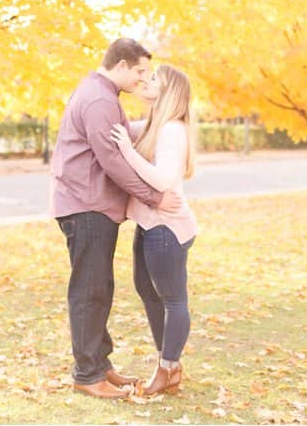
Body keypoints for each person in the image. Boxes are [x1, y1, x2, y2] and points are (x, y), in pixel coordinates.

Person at [49, 38, 183, 400]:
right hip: (86, 207)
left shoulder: (104, 98)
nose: (143, 79)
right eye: (139, 71)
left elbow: (127, 137)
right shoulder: (98, 99)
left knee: (99, 288)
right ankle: (87, 375)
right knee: (89, 291)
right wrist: (154, 197)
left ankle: (99, 364)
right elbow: (113, 160)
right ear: (121, 65)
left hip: (93, 206)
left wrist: (167, 118)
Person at [110, 64, 198, 397]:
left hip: (167, 229)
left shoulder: (172, 130)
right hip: (150, 223)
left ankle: (167, 368)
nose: (148, 80)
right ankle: (170, 363)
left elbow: (162, 181)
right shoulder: (156, 125)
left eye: (155, 78)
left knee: (173, 300)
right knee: (146, 289)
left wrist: (128, 152)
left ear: (169, 90)